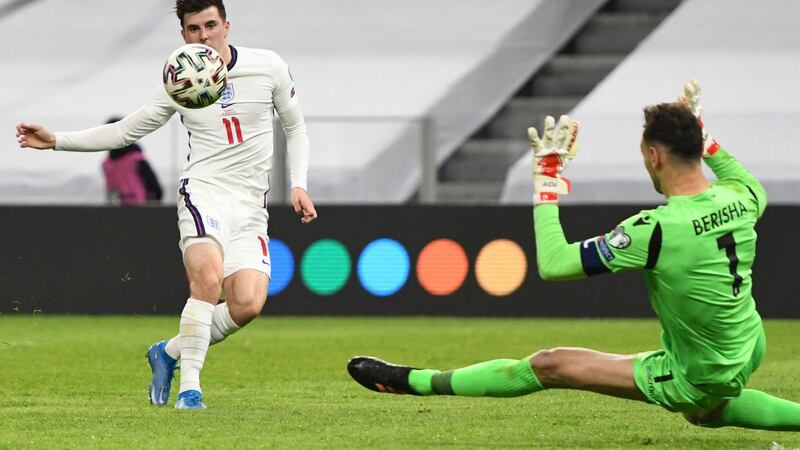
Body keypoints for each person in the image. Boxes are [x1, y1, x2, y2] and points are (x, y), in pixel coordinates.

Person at [347, 80, 800, 431]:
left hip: (704, 369)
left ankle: (412, 381)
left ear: (654, 154)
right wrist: (701, 129)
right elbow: (722, 161)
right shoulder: (744, 195)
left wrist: (546, 181)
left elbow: (555, 263)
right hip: (748, 343)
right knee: (703, 412)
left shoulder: (657, 229)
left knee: (550, 365)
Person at [16, 0, 317, 409]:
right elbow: (124, 132)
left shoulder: (268, 67)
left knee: (247, 303)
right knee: (208, 281)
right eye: (194, 29)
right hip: (204, 192)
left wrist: (298, 184)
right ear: (183, 36)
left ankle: (169, 352)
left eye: (211, 25)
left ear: (227, 25)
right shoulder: (179, 84)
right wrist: (55, 141)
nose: (204, 36)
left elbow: (295, 127)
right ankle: (190, 389)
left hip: (249, 206)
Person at [102, 116, 163, 206]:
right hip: (118, 210)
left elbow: (154, 187)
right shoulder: (107, 164)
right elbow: (111, 190)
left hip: (140, 208)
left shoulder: (136, 160)